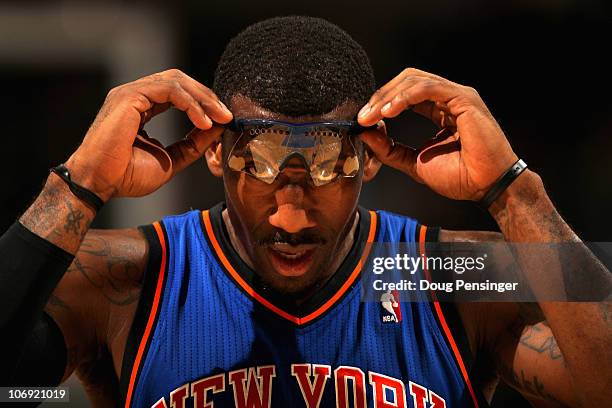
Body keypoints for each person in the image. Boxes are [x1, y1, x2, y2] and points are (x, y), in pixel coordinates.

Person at [1, 16, 610, 408]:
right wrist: (77, 185)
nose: (291, 219)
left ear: (369, 159)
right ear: (216, 153)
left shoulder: (447, 275)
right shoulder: (130, 277)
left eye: (326, 171)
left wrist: (513, 191)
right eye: (260, 168)